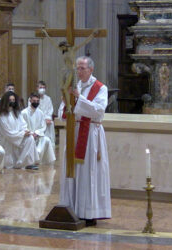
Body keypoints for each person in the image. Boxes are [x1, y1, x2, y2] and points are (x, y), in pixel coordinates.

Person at [58, 56, 111, 226]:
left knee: (89, 172)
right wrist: (66, 103)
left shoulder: (100, 88)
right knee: (72, 171)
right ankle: (72, 208)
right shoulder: (74, 87)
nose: (79, 72)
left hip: (91, 135)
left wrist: (79, 98)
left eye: (82, 68)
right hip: (74, 132)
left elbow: (98, 111)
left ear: (91, 69)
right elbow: (61, 112)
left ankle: (89, 212)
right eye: (77, 68)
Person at [0, 91, 39, 169]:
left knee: (30, 138)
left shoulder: (17, 113)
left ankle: (24, 162)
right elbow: (7, 133)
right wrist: (22, 134)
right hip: (7, 140)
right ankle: (17, 163)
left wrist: (26, 131)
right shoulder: (1, 116)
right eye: (10, 100)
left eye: (13, 100)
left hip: (18, 137)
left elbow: (23, 124)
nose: (12, 102)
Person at [22, 93, 56, 167]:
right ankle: (32, 160)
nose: (36, 102)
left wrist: (37, 133)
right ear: (30, 100)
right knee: (30, 139)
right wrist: (31, 133)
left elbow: (43, 126)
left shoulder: (40, 112)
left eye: (38, 101)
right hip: (28, 136)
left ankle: (40, 160)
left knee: (47, 139)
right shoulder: (24, 113)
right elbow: (23, 126)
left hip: (38, 135)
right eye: (34, 101)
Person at [28, 81, 55, 150]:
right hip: (36, 119)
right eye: (40, 87)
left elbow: (50, 110)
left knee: (51, 124)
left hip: (47, 119)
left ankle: (50, 145)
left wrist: (47, 118)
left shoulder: (48, 99)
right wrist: (42, 120)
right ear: (37, 88)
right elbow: (31, 110)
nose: (42, 89)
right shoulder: (32, 99)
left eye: (43, 87)